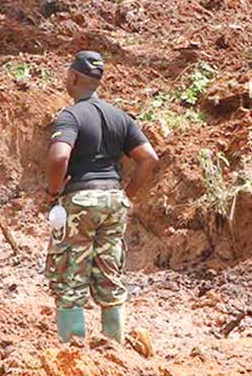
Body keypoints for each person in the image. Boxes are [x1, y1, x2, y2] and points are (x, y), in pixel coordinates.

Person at [43, 50, 160, 343]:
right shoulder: (119, 116)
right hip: (112, 200)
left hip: (80, 200)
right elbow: (148, 158)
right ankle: (114, 348)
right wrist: (126, 194)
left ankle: (73, 353)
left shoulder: (70, 116)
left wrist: (54, 191)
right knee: (110, 273)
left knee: (70, 276)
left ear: (73, 77)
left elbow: (59, 158)